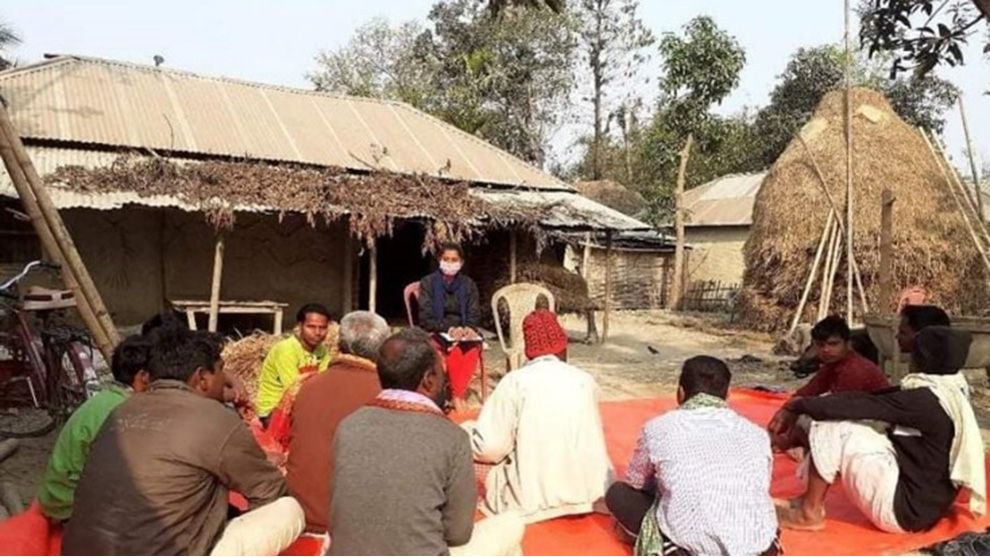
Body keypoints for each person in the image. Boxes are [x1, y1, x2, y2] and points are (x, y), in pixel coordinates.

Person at [63, 328, 304, 556]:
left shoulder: (122, 409)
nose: (224, 379)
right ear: (202, 378)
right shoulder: (216, 417)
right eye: (221, 370)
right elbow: (269, 493)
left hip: (79, 548)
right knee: (288, 509)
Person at [328, 328, 524, 556]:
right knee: (512, 523)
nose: (446, 383)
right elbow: (458, 533)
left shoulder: (349, 425)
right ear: (429, 380)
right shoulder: (452, 437)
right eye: (443, 374)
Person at [772, 326, 985, 533]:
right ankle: (806, 500)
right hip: (925, 505)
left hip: (904, 510)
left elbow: (855, 404)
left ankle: (809, 514)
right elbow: (872, 398)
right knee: (834, 412)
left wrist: (795, 405)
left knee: (830, 422)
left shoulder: (925, 399)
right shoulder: (949, 389)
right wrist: (801, 403)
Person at [605, 356, 781, 556]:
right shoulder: (755, 433)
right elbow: (759, 485)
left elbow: (636, 484)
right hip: (762, 549)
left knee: (618, 493)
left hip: (689, 550)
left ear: (680, 393)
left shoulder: (659, 428)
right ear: (727, 395)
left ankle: (650, 539)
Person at [463, 308, 613, 523]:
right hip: (591, 494)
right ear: (563, 348)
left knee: (468, 445)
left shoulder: (514, 382)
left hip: (530, 500)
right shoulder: (585, 380)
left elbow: (490, 448)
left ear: (529, 352)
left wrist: (466, 432)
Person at [286, 311, 389, 533]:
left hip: (299, 514)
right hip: (357, 523)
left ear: (339, 342)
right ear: (382, 350)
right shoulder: (387, 394)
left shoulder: (305, 386)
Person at [37, 334, 152, 522]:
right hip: (67, 505)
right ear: (143, 377)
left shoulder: (107, 399)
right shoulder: (125, 413)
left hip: (57, 495)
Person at [418, 242, 482, 413]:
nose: (450, 263)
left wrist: (468, 328)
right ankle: (456, 396)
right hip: (437, 330)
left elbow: (474, 314)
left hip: (462, 333)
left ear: (461, 263)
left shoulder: (469, 285)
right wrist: (450, 329)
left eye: (454, 260)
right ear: (439, 259)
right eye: (446, 259)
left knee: (471, 349)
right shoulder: (428, 283)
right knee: (453, 350)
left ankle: (457, 395)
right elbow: (425, 318)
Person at [255, 303, 332, 423]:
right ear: (300, 326)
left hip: (303, 406)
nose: (317, 332)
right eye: (311, 327)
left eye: (322, 328)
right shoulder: (286, 349)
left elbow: (325, 382)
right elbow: (293, 389)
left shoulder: (322, 351)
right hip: (274, 411)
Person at [792, 316, 889, 398]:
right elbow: (807, 392)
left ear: (848, 344)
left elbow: (839, 406)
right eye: (821, 345)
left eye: (833, 344)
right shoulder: (832, 365)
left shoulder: (854, 369)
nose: (826, 350)